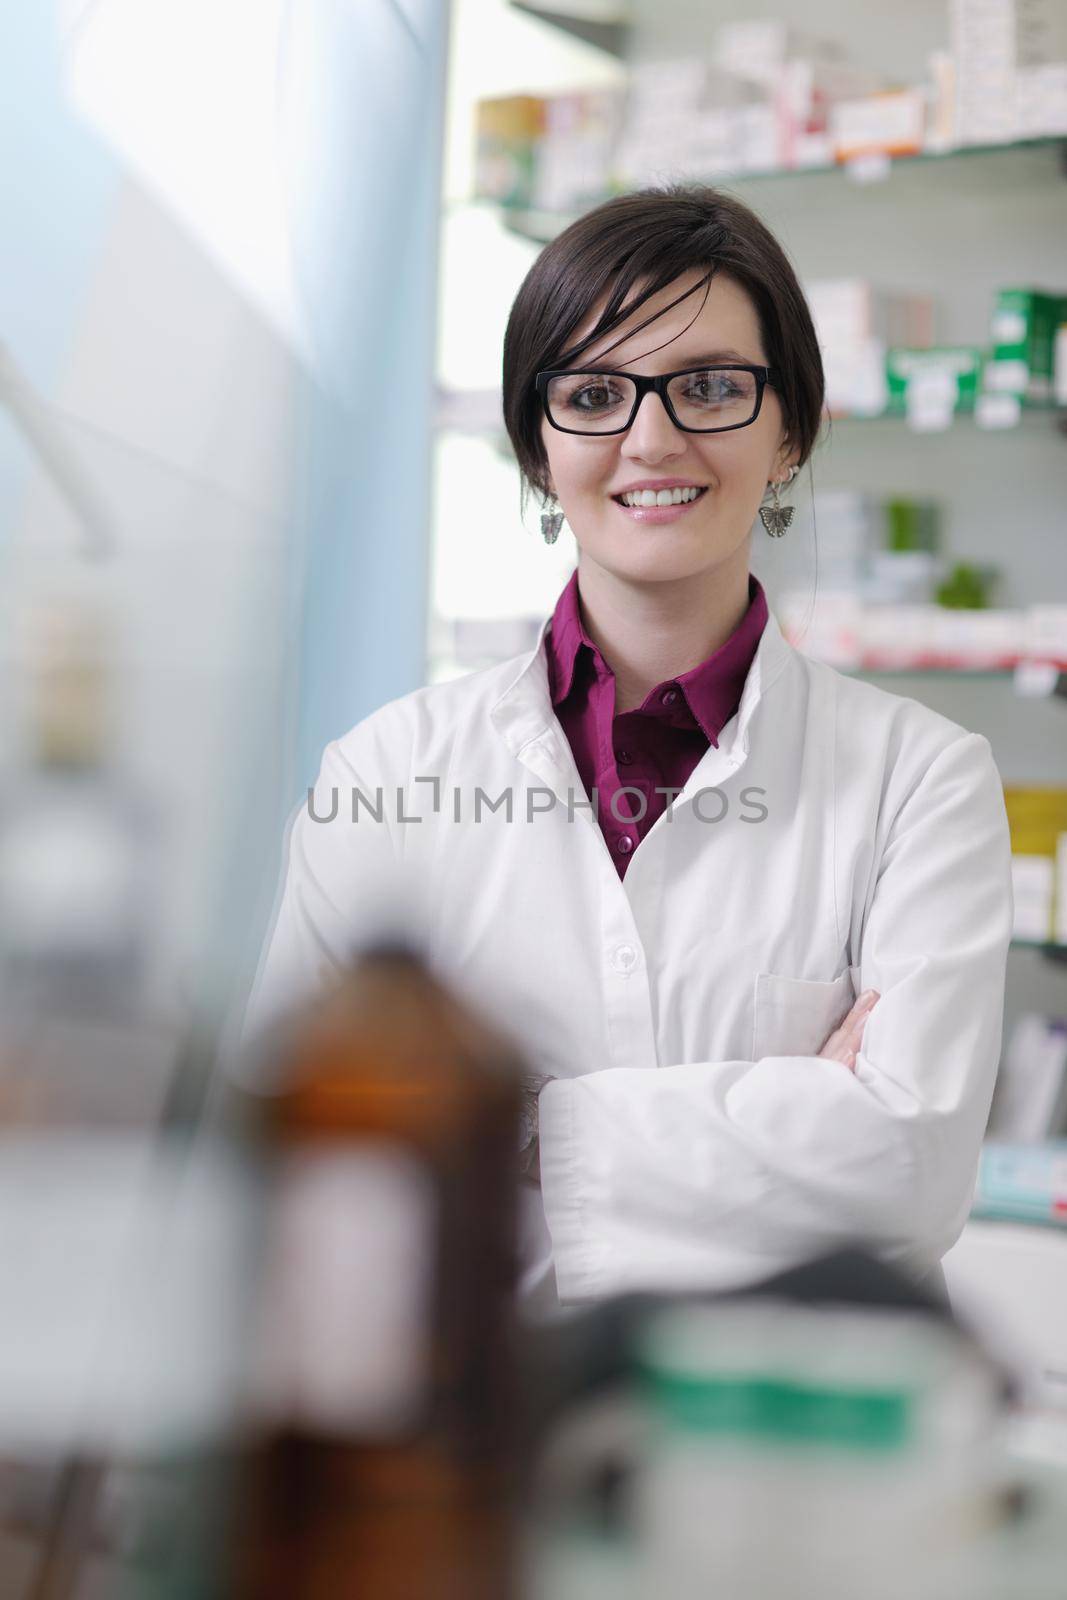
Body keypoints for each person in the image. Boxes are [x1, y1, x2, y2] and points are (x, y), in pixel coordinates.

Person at [242, 184, 1013, 1320]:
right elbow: (297, 1152)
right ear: (536, 447)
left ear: (789, 429)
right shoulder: (384, 776)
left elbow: (907, 1172)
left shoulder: (921, 781)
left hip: (785, 1446)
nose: (650, 438)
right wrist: (791, 1107)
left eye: (708, 386)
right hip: (480, 1442)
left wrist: (507, 1125)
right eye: (594, 394)